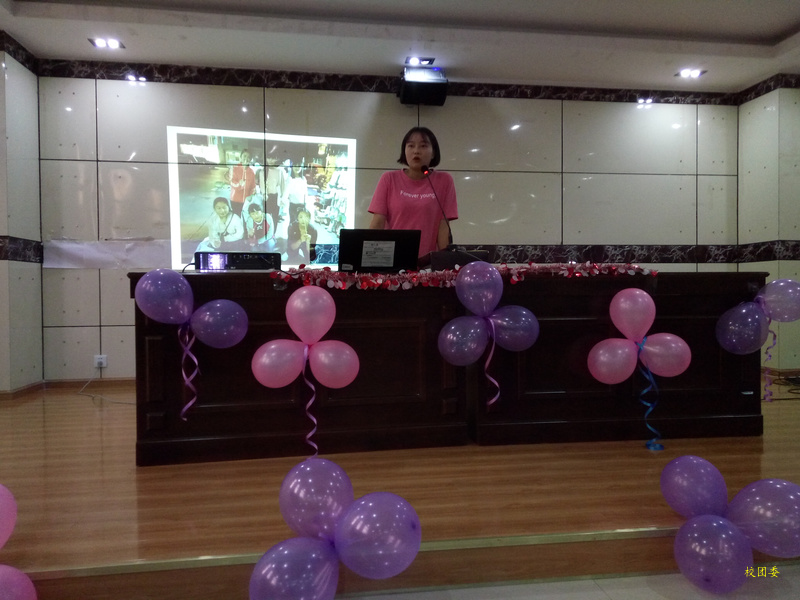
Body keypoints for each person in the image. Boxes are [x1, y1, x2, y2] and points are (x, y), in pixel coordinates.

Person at [368, 126, 458, 257]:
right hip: (392, 260)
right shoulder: (389, 179)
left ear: (433, 152)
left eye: (423, 146)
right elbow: (378, 223)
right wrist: (367, 259)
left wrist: (446, 262)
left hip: (426, 263)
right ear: (404, 151)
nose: (416, 151)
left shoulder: (444, 180)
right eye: (410, 146)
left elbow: (443, 227)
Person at [228, 149, 256, 215]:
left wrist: (251, 196)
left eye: (249, 157)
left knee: (245, 218)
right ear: (240, 157)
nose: (246, 158)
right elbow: (231, 182)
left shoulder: (251, 172)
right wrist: (239, 184)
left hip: (246, 201)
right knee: (236, 217)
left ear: (250, 159)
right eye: (244, 156)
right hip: (235, 200)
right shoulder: (234, 168)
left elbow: (253, 187)